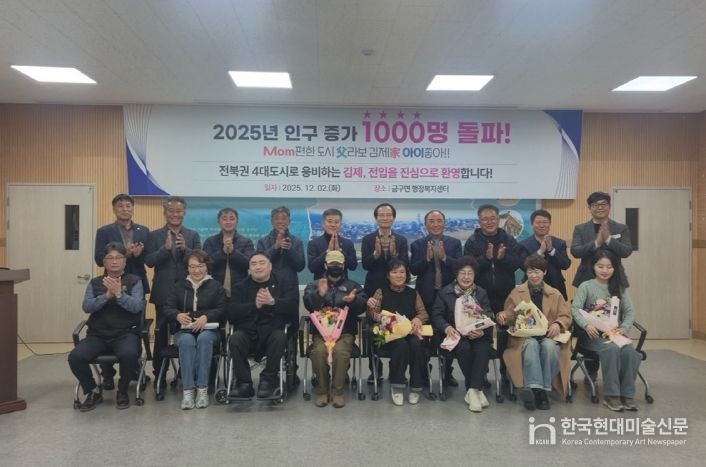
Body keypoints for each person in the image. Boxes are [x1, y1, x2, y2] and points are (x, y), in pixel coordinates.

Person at [68, 242, 145, 411]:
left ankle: (123, 391)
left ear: (125, 261)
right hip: (98, 335)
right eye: (110, 258)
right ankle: (93, 391)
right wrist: (106, 296)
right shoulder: (95, 283)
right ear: (104, 262)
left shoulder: (135, 281)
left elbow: (136, 307)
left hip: (125, 333)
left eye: (119, 257)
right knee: (75, 357)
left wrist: (119, 294)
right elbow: (87, 307)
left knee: (129, 354)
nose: (114, 261)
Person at [496, 255, 572, 411]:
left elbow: (566, 316)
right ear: (526, 273)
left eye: (537, 272)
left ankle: (537, 390)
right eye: (530, 272)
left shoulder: (555, 293)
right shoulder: (516, 293)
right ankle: (539, 392)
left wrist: (558, 323)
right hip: (525, 337)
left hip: (549, 336)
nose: (534, 275)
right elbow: (510, 317)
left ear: (544, 272)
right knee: (531, 346)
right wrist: (502, 316)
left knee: (549, 347)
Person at [571, 191, 633, 381]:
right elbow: (575, 251)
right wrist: (596, 242)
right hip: (588, 282)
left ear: (609, 206)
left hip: (614, 282)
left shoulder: (621, 228)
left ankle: (616, 369)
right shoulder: (581, 228)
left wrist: (608, 240)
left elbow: (626, 251)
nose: (599, 208)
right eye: (595, 205)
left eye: (603, 204)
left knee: (612, 320)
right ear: (589, 208)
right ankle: (591, 369)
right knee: (591, 324)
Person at [571, 250, 641, 412]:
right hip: (593, 336)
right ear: (593, 267)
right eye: (600, 266)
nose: (605, 270)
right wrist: (586, 325)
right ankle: (612, 395)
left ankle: (627, 395)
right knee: (612, 350)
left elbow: (630, 312)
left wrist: (623, 329)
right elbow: (575, 309)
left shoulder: (619, 288)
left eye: (609, 267)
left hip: (615, 334)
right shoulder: (586, 286)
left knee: (629, 351)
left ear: (614, 268)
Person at [93, 193, 149, 390]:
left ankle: (134, 367)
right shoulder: (104, 231)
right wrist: (124, 253)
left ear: (133, 208)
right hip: (111, 281)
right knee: (107, 324)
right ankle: (107, 374)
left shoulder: (143, 230)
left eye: (128, 206)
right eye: (120, 206)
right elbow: (99, 259)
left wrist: (138, 254)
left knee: (135, 326)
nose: (125, 209)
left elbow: (148, 259)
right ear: (114, 209)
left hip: (136, 282)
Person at [144, 196, 201, 385]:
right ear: (165, 213)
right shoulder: (153, 235)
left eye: (179, 211)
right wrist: (164, 249)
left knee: (188, 332)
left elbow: (201, 261)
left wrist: (186, 250)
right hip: (163, 292)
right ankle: (160, 374)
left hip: (188, 292)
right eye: (171, 211)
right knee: (161, 334)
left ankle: (186, 372)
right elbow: (149, 261)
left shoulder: (192, 235)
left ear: (184, 213)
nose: (175, 214)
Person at [228, 252, 299, 398]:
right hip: (248, 332)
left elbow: (292, 306)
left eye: (262, 263)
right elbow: (231, 311)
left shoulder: (285, 283)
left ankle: (268, 380)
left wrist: (272, 302)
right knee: (235, 338)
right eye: (253, 264)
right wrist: (254, 305)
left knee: (280, 336)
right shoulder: (240, 286)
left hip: (272, 332)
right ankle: (244, 383)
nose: (258, 267)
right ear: (249, 268)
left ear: (270, 266)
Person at [463, 204, 522, 378]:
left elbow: (517, 264)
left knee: (507, 334)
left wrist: (502, 258)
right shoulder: (472, 242)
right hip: (480, 299)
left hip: (506, 298)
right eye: (485, 219)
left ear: (498, 219)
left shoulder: (509, 240)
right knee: (482, 335)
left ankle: (507, 371)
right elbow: (468, 269)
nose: (489, 222)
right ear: (479, 221)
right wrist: (486, 259)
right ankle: (481, 374)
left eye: (492, 218)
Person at [303, 250, 367, 408]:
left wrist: (353, 301)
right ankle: (322, 391)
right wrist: (319, 294)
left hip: (345, 333)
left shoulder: (353, 286)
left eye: (338, 264)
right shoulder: (315, 284)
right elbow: (308, 304)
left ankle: (337, 392)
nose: (335, 266)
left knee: (340, 351)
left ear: (343, 265)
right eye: (332, 263)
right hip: (321, 334)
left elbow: (362, 306)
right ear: (325, 265)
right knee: (318, 352)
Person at [164, 250, 226, 409]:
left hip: (209, 331)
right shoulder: (179, 286)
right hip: (184, 331)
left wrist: (206, 317)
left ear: (207, 267)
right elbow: (167, 308)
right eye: (192, 267)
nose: (196, 270)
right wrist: (177, 315)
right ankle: (188, 391)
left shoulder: (216, 286)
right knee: (186, 341)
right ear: (187, 268)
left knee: (204, 339)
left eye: (200, 266)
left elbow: (222, 309)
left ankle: (202, 389)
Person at [431, 256, 492, 412]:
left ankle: (472, 390)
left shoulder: (481, 293)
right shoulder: (445, 292)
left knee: (482, 348)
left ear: (474, 275)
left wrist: (480, 330)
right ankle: (476, 390)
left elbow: (488, 314)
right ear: (456, 275)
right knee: (464, 348)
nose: (466, 277)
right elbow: (436, 315)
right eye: (462, 273)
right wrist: (446, 327)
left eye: (470, 273)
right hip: (455, 335)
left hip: (476, 335)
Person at [409, 210, 462, 386]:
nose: (436, 224)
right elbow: (413, 269)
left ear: (444, 223)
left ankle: (447, 373)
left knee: (447, 334)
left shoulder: (454, 243)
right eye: (431, 221)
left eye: (439, 221)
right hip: (425, 297)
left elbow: (459, 268)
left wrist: (444, 257)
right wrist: (427, 258)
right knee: (424, 336)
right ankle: (424, 372)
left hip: (448, 298)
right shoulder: (417, 245)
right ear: (426, 224)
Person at [366, 259, 427, 406]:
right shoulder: (380, 291)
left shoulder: (413, 293)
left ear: (407, 275)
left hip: (409, 332)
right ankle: (397, 385)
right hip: (388, 335)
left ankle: (416, 386)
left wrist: (418, 319)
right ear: (388, 275)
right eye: (394, 272)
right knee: (400, 345)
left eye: (402, 272)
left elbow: (423, 313)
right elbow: (372, 315)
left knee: (417, 344)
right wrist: (372, 308)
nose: (399, 275)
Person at [361, 202, 409, 383]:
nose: (385, 218)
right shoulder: (368, 239)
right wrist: (375, 254)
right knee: (374, 329)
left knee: (396, 327)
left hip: (396, 291)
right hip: (374, 290)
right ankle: (375, 370)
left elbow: (404, 266)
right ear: (376, 218)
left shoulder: (401, 240)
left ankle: (397, 368)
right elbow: (365, 265)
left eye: (388, 215)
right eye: (381, 215)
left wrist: (395, 256)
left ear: (393, 218)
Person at [518, 209, 571, 300]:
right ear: (532, 225)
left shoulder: (559, 243)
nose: (542, 225)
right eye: (538, 222)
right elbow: (523, 266)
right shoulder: (524, 244)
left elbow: (565, 265)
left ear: (550, 224)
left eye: (545, 222)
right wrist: (540, 252)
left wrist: (551, 250)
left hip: (556, 287)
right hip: (531, 288)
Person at [203, 207, 254, 298]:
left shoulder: (246, 242)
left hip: (240, 289)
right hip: (214, 289)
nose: (228, 222)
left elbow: (249, 264)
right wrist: (222, 252)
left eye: (231, 218)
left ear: (237, 221)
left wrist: (233, 252)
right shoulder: (210, 241)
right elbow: (206, 264)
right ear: (218, 222)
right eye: (224, 219)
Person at [307, 208, 357, 279]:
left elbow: (353, 266)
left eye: (336, 222)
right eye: (329, 221)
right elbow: (312, 268)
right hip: (321, 284)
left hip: (343, 284)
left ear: (340, 224)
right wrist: (327, 252)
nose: (333, 225)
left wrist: (340, 251)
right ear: (323, 223)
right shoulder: (313, 243)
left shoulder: (348, 243)